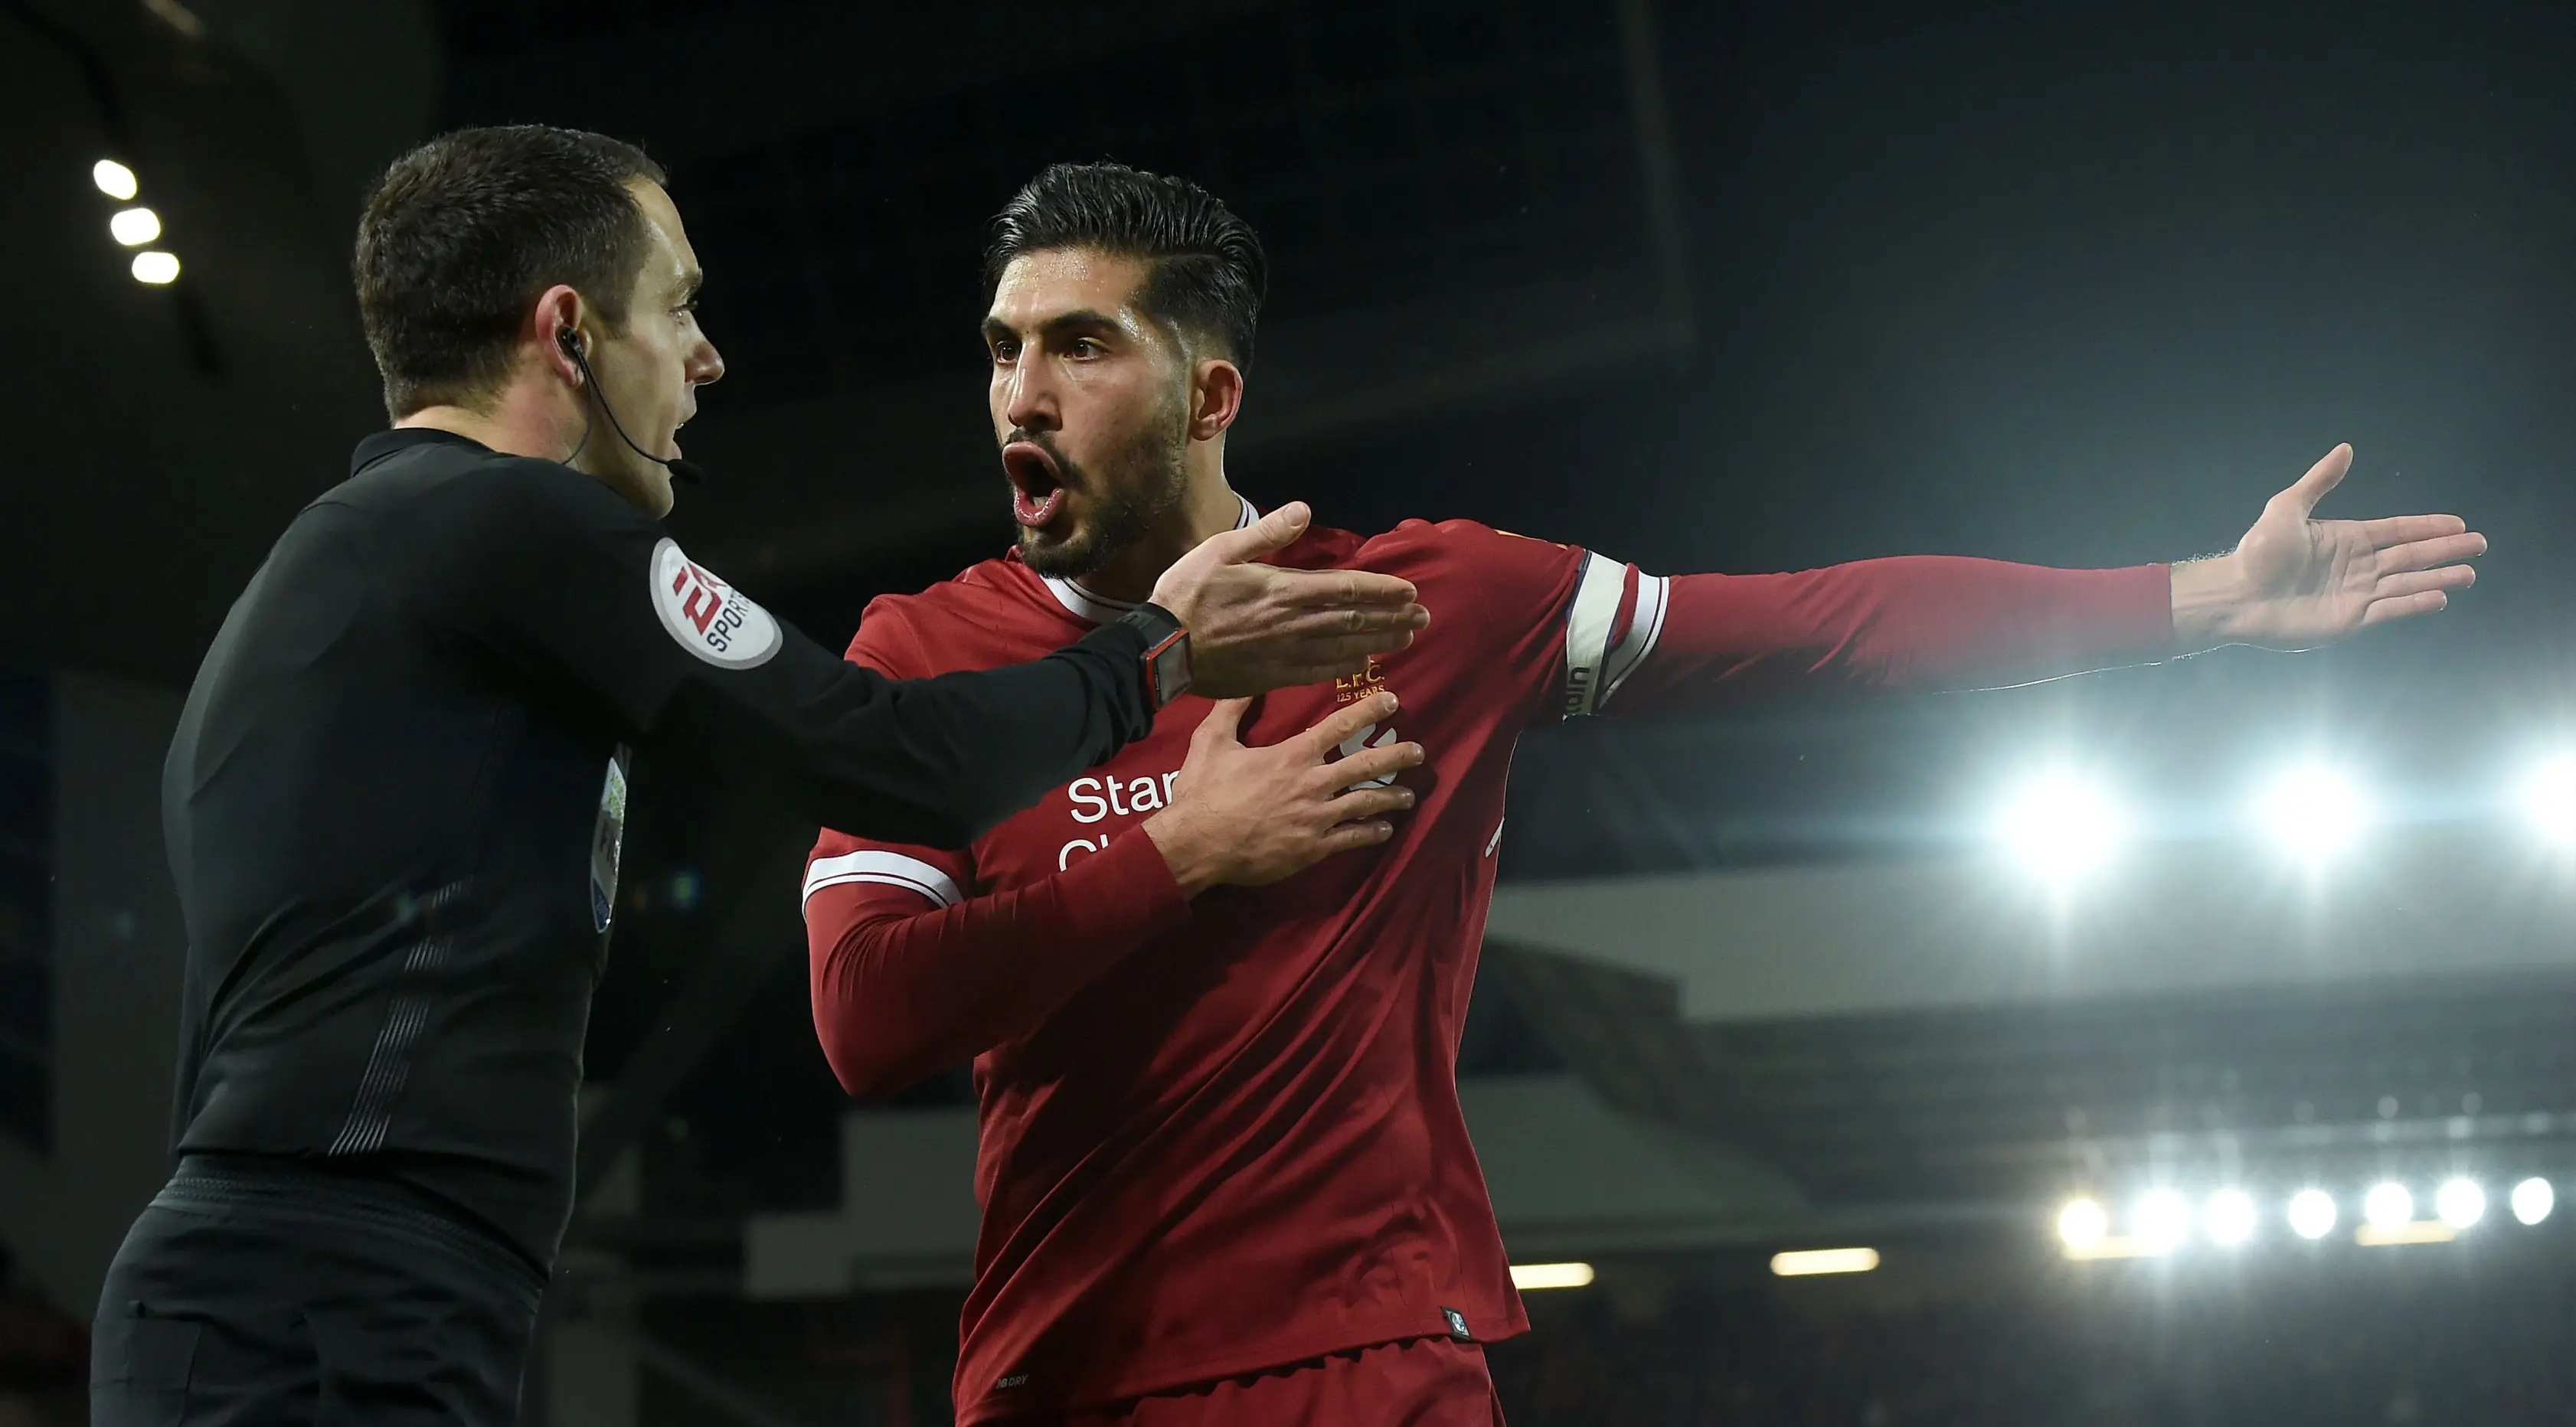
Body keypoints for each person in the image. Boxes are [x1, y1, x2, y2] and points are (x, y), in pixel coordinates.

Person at [801, 162, 2486, 1426]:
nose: (1019, 393)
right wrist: (1184, 849)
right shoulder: (921, 654)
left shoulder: (1432, 603)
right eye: (1004, 348)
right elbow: (866, 1021)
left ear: (1207, 392)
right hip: (1052, 1370)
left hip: (1368, 1355)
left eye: (1078, 346)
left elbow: (1824, 625)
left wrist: (2198, 597)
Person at [89, 129, 1429, 1427]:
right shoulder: (515, 522)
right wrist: (1160, 652)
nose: (708, 356)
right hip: (340, 1283)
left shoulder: (348, 571)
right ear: (568, 334)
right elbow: (896, 757)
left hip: (305, 1276)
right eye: (676, 308)